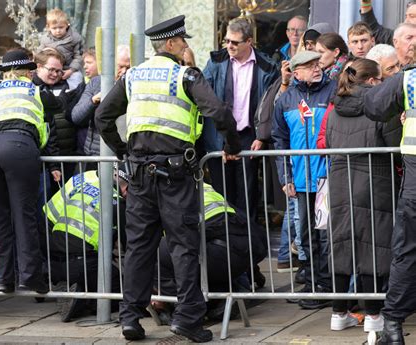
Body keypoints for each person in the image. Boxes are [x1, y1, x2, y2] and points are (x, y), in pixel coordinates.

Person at [96, 15, 241, 343]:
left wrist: (123, 152)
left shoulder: (131, 77)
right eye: (184, 41)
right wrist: (232, 147)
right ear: (173, 44)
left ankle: (131, 318)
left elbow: (103, 117)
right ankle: (187, 318)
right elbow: (219, 112)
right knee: (183, 246)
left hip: (139, 177)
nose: (187, 46)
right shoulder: (185, 75)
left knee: (138, 249)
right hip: (176, 176)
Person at [0, 49, 61, 294]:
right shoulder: (36, 90)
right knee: (24, 213)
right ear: (29, 72)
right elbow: (58, 106)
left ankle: (3, 279)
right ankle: (30, 276)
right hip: (19, 146)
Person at [325, 59, 401, 332]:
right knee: (373, 247)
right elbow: (395, 145)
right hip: (375, 181)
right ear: (371, 81)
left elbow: (329, 143)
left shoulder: (334, 110)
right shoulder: (381, 109)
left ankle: (338, 312)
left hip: (339, 180)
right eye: (380, 79)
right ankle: (373, 316)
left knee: (343, 243)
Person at [272, 50, 337, 309]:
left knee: (324, 234)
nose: (316, 68)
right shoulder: (286, 100)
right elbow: (280, 141)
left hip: (326, 178)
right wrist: (285, 176)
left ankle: (326, 285)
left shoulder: (332, 91)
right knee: (306, 234)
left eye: (317, 63)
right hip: (300, 179)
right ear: (296, 72)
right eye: (309, 66)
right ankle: (311, 283)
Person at [154, 183, 268, 322]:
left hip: (219, 253)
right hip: (243, 250)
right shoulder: (199, 183)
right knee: (189, 255)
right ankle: (227, 293)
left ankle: (191, 307)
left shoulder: (160, 194)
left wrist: (157, 294)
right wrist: (253, 274)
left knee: (156, 254)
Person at [362, 50, 416, 345]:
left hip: (415, 185)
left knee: (406, 253)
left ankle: (393, 327)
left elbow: (372, 104)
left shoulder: (408, 80)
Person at [203, 17, 279, 224]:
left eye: (234, 42)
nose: (229, 46)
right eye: (226, 41)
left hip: (249, 136)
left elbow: (270, 105)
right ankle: (224, 243)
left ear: (249, 42)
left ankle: (248, 244)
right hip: (220, 136)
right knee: (221, 194)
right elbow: (204, 97)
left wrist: (262, 136)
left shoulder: (267, 67)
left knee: (247, 194)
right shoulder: (216, 62)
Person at [43, 166, 127, 322]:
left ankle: (62, 284)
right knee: (120, 288)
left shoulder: (81, 179)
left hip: (52, 261)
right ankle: (84, 302)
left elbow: (47, 216)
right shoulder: (117, 202)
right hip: (82, 265)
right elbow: (130, 249)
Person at [38, 8, 83, 89]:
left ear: (67, 25)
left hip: (68, 69)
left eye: (61, 27)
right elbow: (39, 53)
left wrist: (71, 70)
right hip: (51, 71)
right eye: (54, 28)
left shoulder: (74, 38)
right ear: (48, 27)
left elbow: (78, 56)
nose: (58, 31)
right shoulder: (45, 39)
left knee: (77, 80)